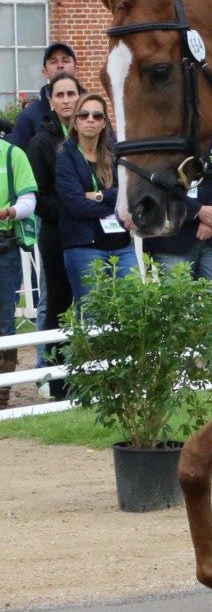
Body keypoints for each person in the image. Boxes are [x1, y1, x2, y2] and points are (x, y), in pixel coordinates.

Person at [144, 124, 212, 375]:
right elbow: (156, 182)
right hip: (172, 238)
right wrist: (197, 212)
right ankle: (178, 372)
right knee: (176, 309)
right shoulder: (160, 132)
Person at [26, 72, 84, 398]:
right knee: (59, 306)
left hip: (92, 236)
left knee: (91, 305)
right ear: (51, 102)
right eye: (59, 95)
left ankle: (93, 375)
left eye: (70, 93)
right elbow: (40, 195)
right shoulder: (41, 142)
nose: (66, 100)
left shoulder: (96, 134)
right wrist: (76, 208)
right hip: (57, 235)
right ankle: (58, 381)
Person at [55, 93, 137, 305]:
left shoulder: (115, 156)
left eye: (97, 116)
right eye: (84, 115)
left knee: (131, 305)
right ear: (75, 121)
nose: (90, 120)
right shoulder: (66, 156)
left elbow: (128, 193)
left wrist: (99, 195)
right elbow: (75, 205)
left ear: (104, 123)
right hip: (83, 245)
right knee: (93, 313)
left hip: (121, 244)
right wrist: (115, 203)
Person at [0, 135, 38, 408]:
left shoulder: (13, 154)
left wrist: (9, 212)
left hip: (3, 245)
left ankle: (2, 391)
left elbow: (28, 201)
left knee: (3, 320)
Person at [9, 43, 78, 150]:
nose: (60, 65)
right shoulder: (28, 117)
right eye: (53, 62)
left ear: (75, 69)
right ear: (44, 72)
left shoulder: (92, 110)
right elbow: (17, 157)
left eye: (65, 60)